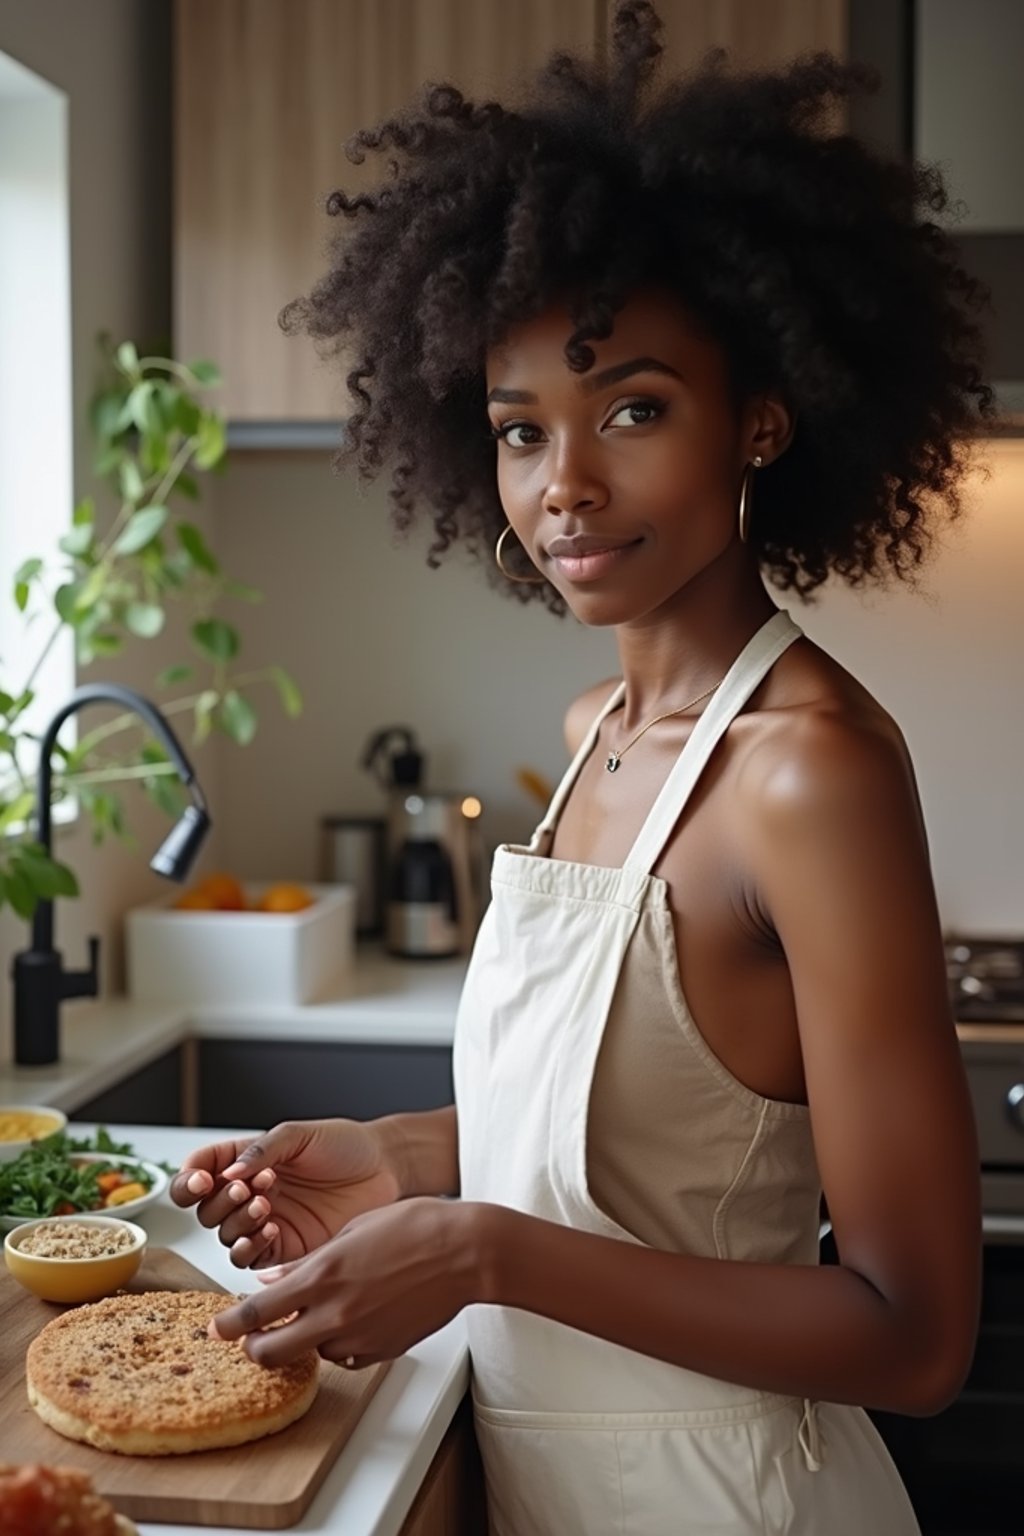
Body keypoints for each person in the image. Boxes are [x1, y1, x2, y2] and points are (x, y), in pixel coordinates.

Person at [172, 4, 991, 1531]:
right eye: (519, 429)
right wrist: (401, 1160)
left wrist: (479, 1250)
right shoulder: (588, 739)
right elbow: (639, 1146)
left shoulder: (808, 775)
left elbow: (915, 1333)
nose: (567, 488)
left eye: (633, 410)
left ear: (760, 423)